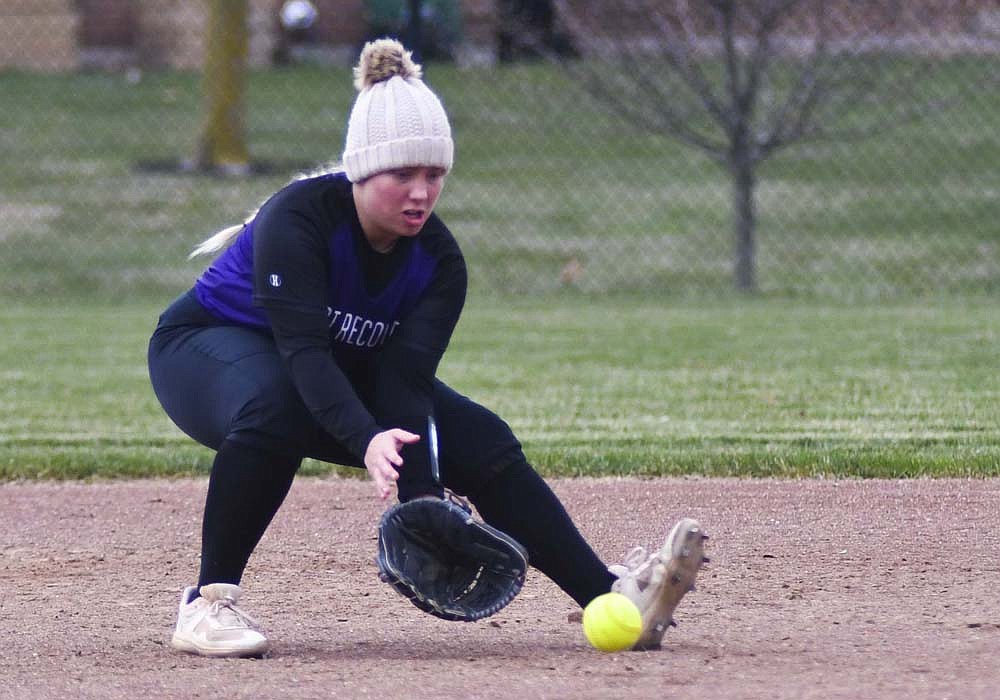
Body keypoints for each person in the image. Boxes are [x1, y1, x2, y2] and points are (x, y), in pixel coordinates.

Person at [147, 38, 707, 658]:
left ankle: (613, 597)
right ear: (361, 170)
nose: (420, 192)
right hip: (203, 352)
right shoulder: (299, 218)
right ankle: (207, 605)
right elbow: (304, 353)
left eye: (434, 174)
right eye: (402, 174)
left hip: (322, 371)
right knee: (274, 402)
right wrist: (366, 439)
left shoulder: (439, 263)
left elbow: (403, 383)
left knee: (483, 441)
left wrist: (422, 500)